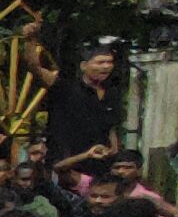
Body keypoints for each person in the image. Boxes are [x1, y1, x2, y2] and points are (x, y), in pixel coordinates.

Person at [26, 27, 123, 159]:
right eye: (100, 62)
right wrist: (31, 40)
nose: (106, 66)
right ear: (84, 66)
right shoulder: (65, 87)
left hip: (100, 161)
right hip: (67, 160)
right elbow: (35, 68)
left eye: (109, 62)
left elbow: (111, 127)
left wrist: (114, 150)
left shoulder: (112, 93)